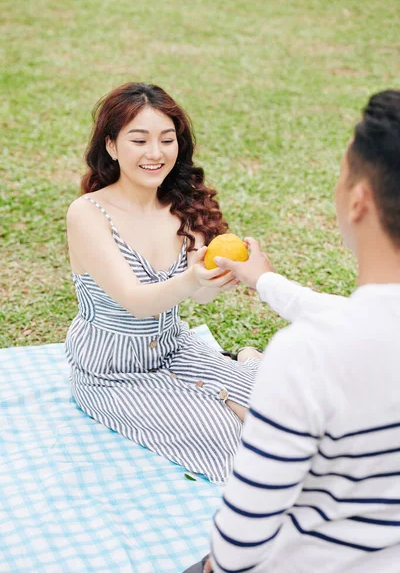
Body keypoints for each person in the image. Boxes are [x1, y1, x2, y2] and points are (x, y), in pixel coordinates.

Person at [186, 89, 400, 572]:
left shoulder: (309, 355)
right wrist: (264, 279)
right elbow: (345, 314)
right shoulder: (345, 330)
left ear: (359, 200)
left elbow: (239, 545)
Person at [65, 82, 263, 485]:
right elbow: (136, 301)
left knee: (286, 411)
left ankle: (247, 360)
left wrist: (218, 278)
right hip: (113, 374)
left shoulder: (181, 206)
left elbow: (201, 295)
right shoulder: (88, 213)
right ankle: (247, 365)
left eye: (167, 139)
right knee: (238, 443)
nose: (155, 153)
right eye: (139, 140)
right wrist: (191, 278)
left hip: (176, 348)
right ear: (112, 146)